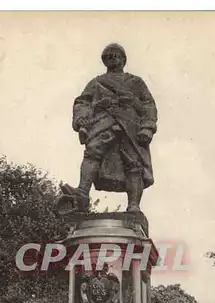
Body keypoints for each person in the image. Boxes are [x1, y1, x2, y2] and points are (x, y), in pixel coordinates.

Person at [61, 43, 158, 213]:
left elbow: (148, 104)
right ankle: (82, 192)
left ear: (123, 59)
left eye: (116, 55)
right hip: (103, 122)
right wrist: (83, 118)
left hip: (130, 125)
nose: (112, 58)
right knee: (92, 153)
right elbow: (82, 102)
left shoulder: (135, 82)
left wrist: (147, 127)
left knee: (133, 163)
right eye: (108, 56)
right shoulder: (97, 82)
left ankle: (133, 205)